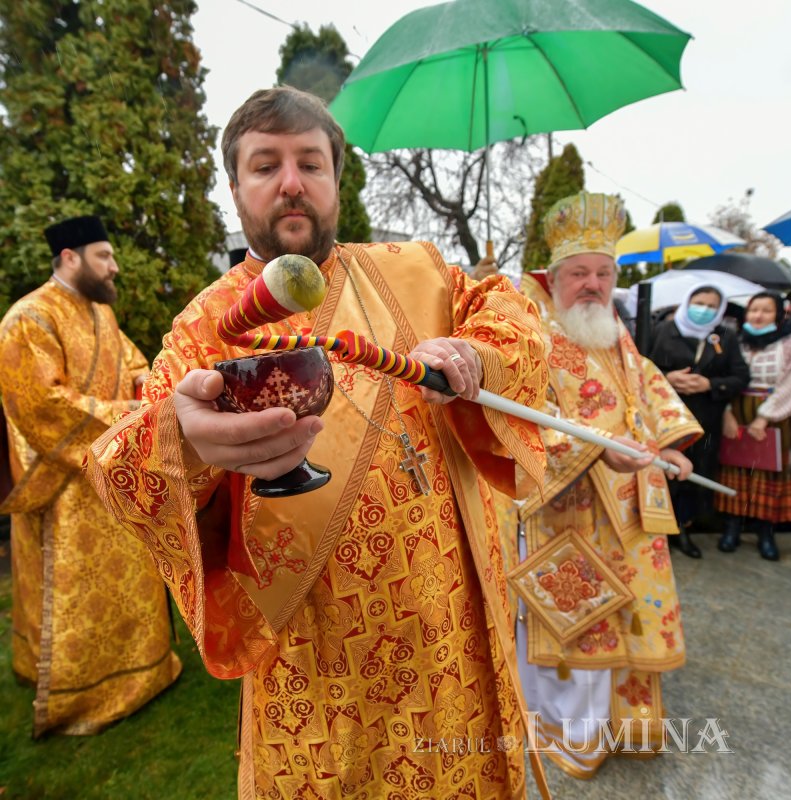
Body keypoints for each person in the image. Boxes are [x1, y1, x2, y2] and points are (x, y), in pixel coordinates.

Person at [85, 87, 553, 799]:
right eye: (265, 165)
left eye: (311, 162)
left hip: (451, 636)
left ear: (337, 181)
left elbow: (512, 315)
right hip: (319, 660)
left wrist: (477, 354)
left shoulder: (418, 273)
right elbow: (122, 471)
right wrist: (182, 438)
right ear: (236, 188)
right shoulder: (205, 326)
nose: (292, 182)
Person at [513, 192, 701, 780]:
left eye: (603, 272)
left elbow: (641, 384)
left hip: (630, 506)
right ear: (554, 275)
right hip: (568, 508)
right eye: (579, 274)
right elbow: (517, 420)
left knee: (626, 623)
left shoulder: (611, 328)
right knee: (578, 630)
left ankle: (620, 726)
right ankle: (567, 734)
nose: (592, 285)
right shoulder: (529, 334)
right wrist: (597, 449)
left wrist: (667, 440)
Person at [0, 215, 181, 737]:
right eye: (104, 255)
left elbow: (132, 365)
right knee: (75, 597)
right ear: (70, 258)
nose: (115, 265)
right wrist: (133, 416)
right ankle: (80, 697)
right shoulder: (28, 318)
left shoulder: (101, 316)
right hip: (65, 489)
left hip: (111, 478)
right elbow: (41, 404)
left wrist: (150, 384)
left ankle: (147, 670)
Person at [648, 284, 750, 558]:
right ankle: (658, 531)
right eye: (699, 302)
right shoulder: (662, 331)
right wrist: (667, 378)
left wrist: (710, 384)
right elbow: (640, 366)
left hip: (705, 420)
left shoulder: (724, 337)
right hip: (665, 420)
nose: (704, 309)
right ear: (687, 302)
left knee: (693, 477)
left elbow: (740, 377)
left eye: (711, 306)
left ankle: (683, 530)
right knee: (663, 474)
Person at [716, 292, 791, 560]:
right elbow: (725, 377)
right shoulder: (735, 342)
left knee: (769, 473)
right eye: (753, 311)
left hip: (776, 415)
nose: (758, 316)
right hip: (737, 411)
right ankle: (732, 528)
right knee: (736, 468)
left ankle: (766, 533)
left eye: (766, 311)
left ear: (779, 314)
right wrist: (726, 413)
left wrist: (765, 416)